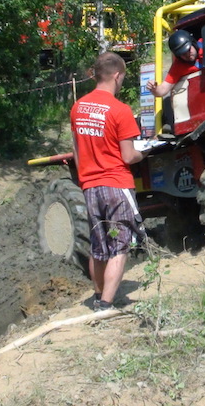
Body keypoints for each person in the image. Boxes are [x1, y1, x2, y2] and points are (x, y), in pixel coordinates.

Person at [71, 52, 149, 311]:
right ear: (117, 75)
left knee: (99, 244)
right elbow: (128, 155)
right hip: (116, 185)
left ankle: (97, 295)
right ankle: (106, 304)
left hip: (90, 186)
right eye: (123, 77)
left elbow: (77, 152)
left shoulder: (78, 107)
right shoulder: (120, 110)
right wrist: (146, 152)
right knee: (119, 244)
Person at [146, 29, 202, 98]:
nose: (188, 54)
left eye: (189, 50)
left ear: (193, 43)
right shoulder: (178, 66)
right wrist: (154, 89)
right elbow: (163, 90)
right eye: (183, 54)